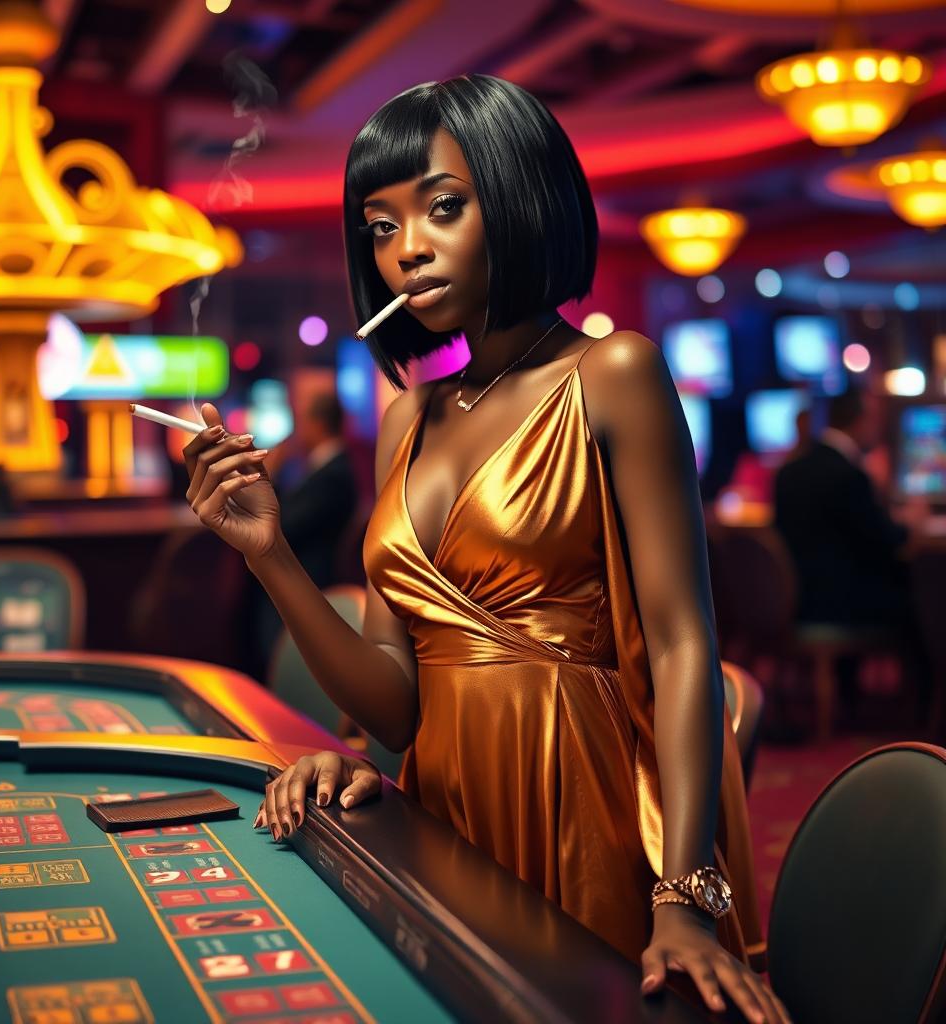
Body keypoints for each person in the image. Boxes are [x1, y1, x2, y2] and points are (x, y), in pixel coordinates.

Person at [183, 76, 789, 1023]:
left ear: (517, 194)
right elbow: (394, 695)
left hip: (586, 804)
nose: (407, 249)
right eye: (380, 227)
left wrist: (682, 901)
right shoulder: (405, 419)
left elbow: (682, 646)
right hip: (442, 819)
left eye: (442, 207)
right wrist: (269, 554)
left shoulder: (612, 371)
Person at [774, 385, 931, 718]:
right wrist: (912, 522)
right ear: (860, 421)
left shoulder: (788, 472)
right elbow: (885, 541)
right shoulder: (848, 475)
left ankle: (856, 696)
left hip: (797, 600)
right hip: (840, 606)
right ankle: (922, 709)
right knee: (924, 599)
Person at [250, 391, 360, 673]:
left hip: (310, 578)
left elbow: (282, 527)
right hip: (307, 572)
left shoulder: (334, 473)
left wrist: (269, 477)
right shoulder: (325, 467)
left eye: (302, 421)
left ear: (317, 424)